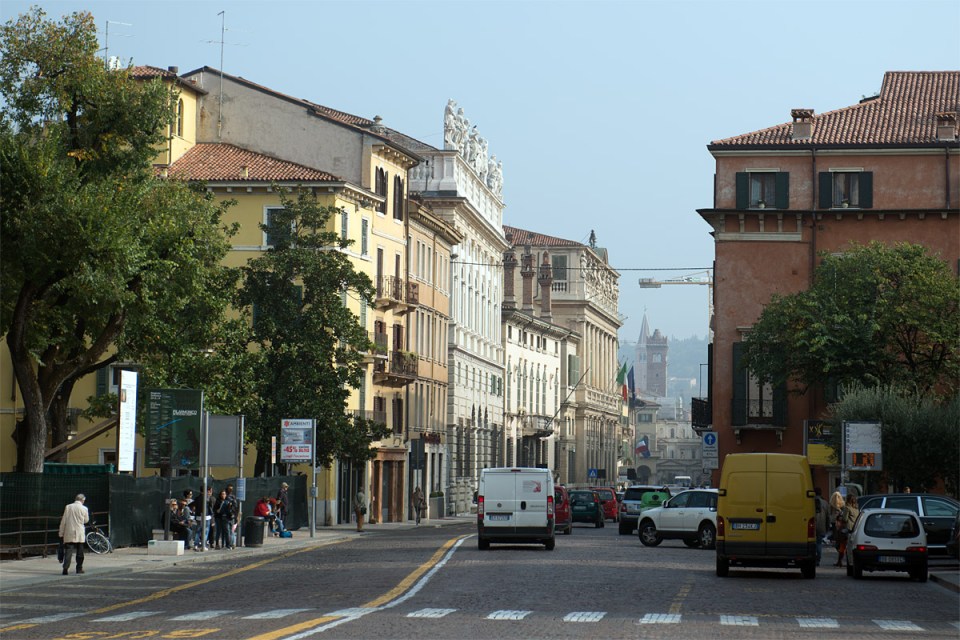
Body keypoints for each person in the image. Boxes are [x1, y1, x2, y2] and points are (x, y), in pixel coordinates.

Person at [58, 493, 89, 575]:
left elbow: (63, 521)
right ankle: (79, 568)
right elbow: (86, 520)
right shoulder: (84, 508)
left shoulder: (68, 507)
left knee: (68, 551)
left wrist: (61, 532)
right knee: (80, 552)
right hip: (79, 532)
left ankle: (65, 568)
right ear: (82, 500)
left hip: (69, 532)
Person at [834, 493, 860, 567]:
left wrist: (839, 518)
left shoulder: (847, 508)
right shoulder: (856, 509)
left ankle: (839, 561)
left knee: (842, 545)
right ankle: (851, 561)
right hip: (854, 529)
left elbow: (845, 519)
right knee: (851, 546)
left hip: (847, 529)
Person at [813, 487, 829, 566]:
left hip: (811, 526)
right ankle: (818, 559)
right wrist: (827, 527)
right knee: (819, 543)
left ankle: (813, 558)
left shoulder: (810, 501)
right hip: (821, 526)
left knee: (811, 543)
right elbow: (828, 517)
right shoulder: (825, 503)